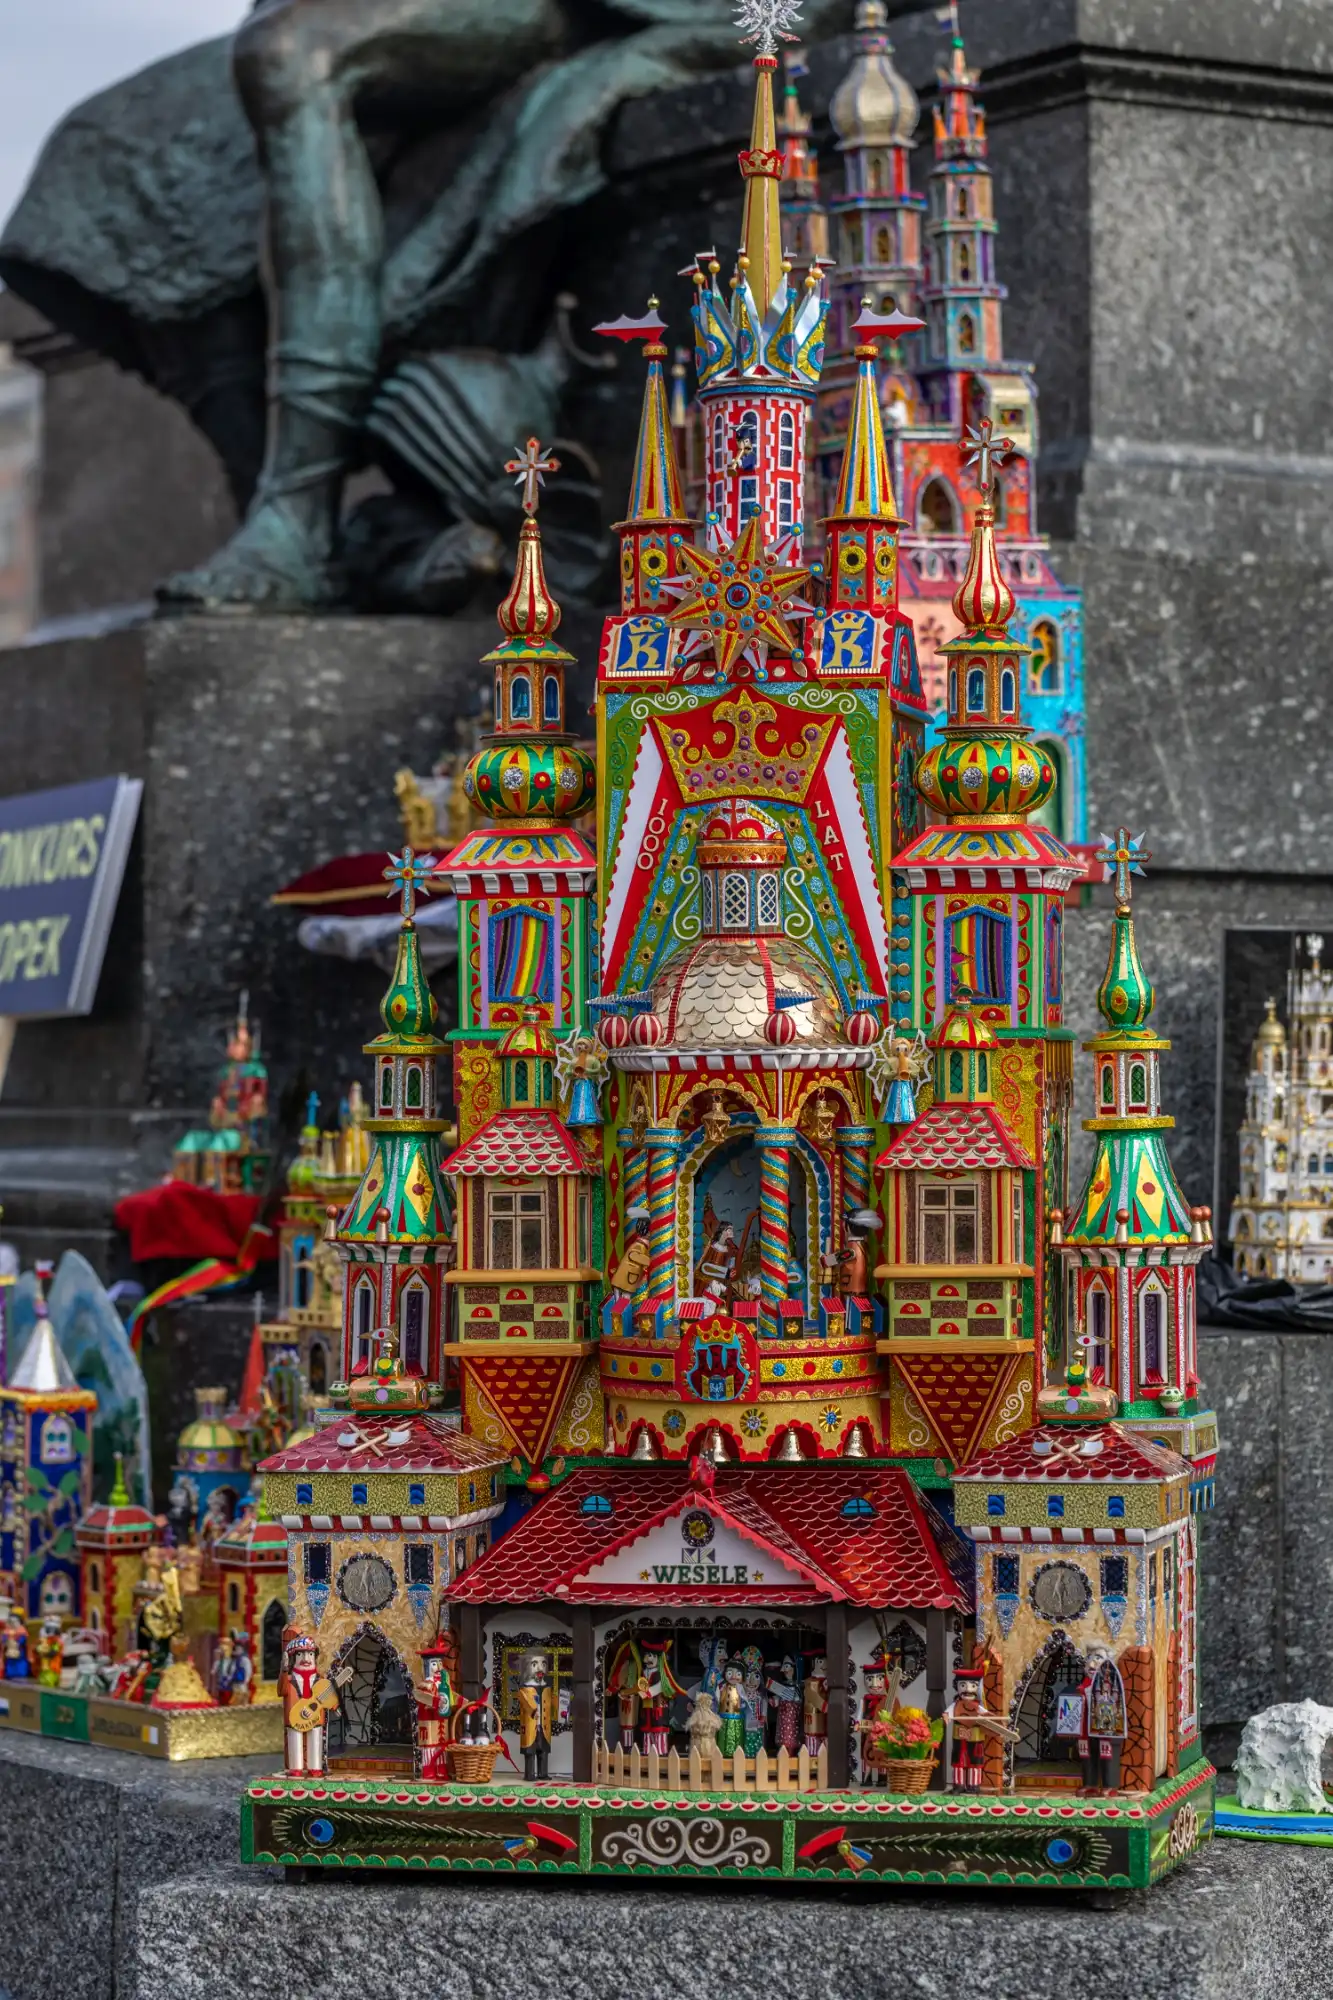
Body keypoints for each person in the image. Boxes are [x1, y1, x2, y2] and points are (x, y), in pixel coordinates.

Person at [278, 1629, 350, 1776]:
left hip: (316, 1717)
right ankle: (295, 1768)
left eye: (310, 1654)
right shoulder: (289, 1679)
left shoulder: (319, 1679)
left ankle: (315, 1767)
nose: (306, 1658)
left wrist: (335, 1706)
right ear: (293, 1658)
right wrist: (283, 1670)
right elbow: (281, 1690)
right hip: (294, 1716)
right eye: (300, 1654)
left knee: (316, 1739)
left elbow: (326, 1694)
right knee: (294, 1739)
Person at [944, 1663, 1018, 1794]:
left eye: (972, 1685)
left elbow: (988, 1717)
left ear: (977, 1688)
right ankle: (959, 1785)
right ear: (957, 1687)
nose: (967, 1689)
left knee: (974, 1763)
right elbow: (947, 1714)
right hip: (959, 1740)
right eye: (963, 1685)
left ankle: (973, 1785)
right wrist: (946, 1717)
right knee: (958, 1763)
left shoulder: (978, 1708)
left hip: (975, 1740)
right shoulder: (955, 1705)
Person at [517, 1648, 555, 1781]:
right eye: (535, 1664)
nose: (540, 1668)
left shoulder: (547, 1688)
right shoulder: (524, 1688)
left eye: (543, 1664)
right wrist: (533, 1709)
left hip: (544, 1726)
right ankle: (529, 1774)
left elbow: (552, 1702)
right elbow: (525, 1701)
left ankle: (543, 1773)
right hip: (531, 1724)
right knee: (530, 1751)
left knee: (543, 1750)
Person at [765, 1657, 801, 1754]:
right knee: (782, 1739)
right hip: (782, 1722)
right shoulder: (785, 1686)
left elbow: (796, 1698)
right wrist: (774, 1700)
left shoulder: (797, 1688)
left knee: (791, 1738)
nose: (783, 1670)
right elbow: (778, 1699)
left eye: (786, 1666)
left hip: (793, 1721)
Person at [802, 1655, 828, 1759]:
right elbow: (811, 1695)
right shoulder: (810, 1682)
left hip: (825, 1719)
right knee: (812, 1740)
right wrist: (824, 1705)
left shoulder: (827, 1682)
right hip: (812, 1718)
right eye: (820, 1662)